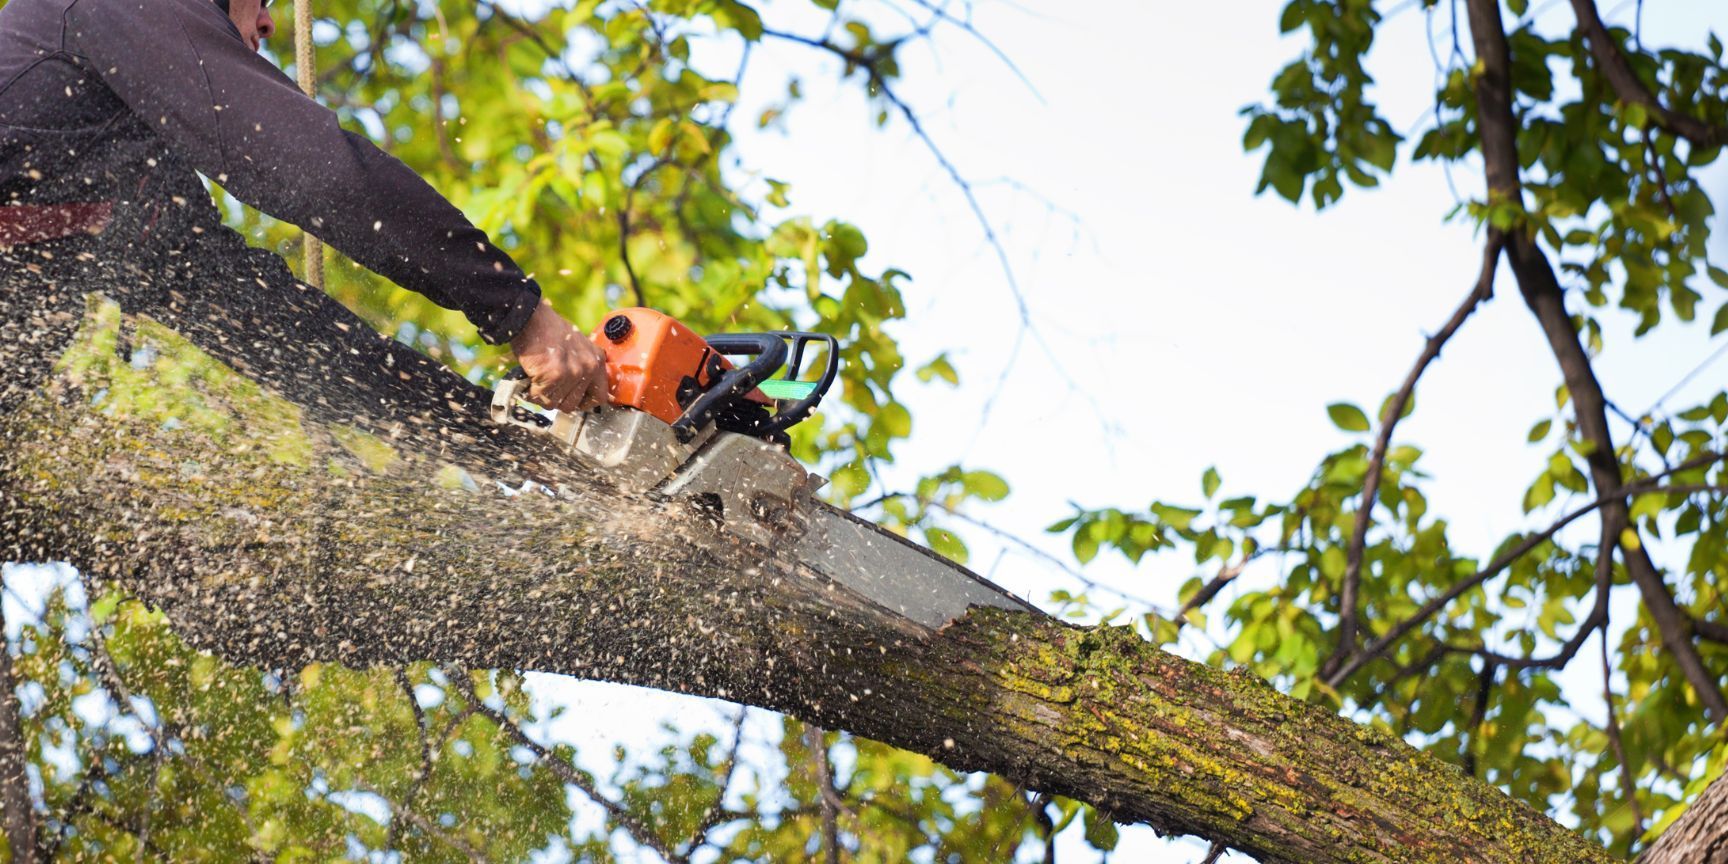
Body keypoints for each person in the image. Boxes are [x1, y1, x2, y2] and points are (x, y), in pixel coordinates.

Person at [0, 0, 608, 415]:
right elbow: (322, 173)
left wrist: (503, 436)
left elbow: (275, 329)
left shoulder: (137, 187)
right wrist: (517, 310)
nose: (267, 22)